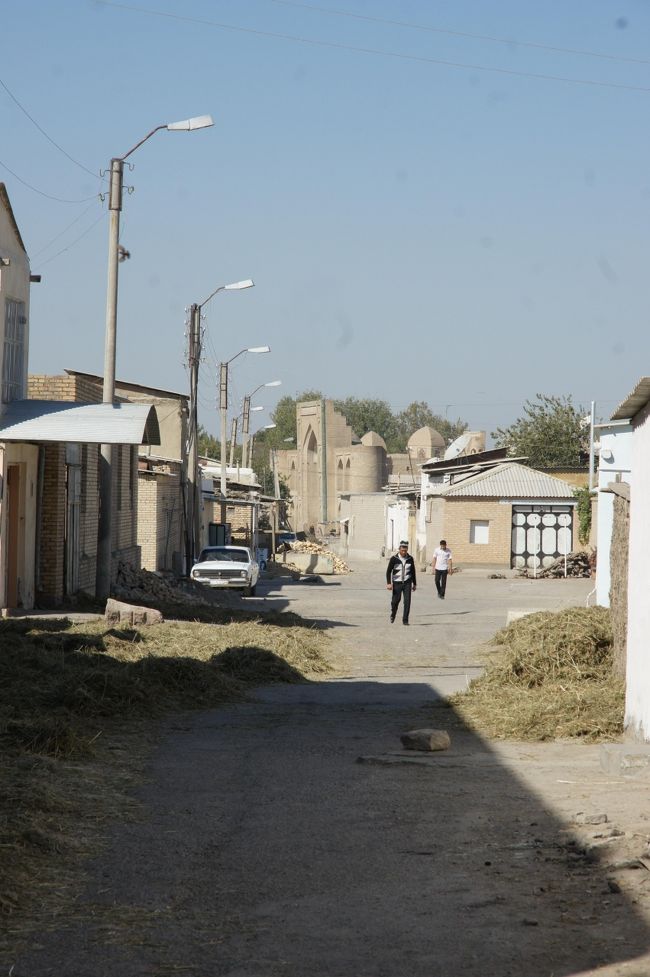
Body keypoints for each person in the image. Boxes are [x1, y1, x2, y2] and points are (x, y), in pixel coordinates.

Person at [386, 540, 417, 625]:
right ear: (399, 549)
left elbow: (413, 571)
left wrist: (414, 583)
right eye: (402, 550)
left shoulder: (410, 559)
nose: (403, 552)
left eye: (405, 550)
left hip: (407, 583)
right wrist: (389, 583)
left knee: (407, 601)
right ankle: (393, 613)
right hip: (397, 583)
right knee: (395, 601)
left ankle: (405, 620)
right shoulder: (394, 559)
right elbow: (388, 571)